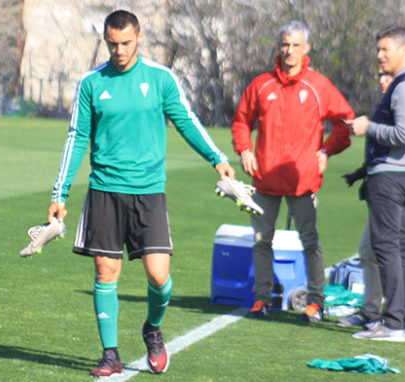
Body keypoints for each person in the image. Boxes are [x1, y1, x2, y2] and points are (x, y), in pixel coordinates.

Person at [46, 10, 235, 377]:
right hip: (105, 190)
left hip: (148, 192)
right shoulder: (91, 83)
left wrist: (217, 158)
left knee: (159, 279)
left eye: (126, 43)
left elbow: (186, 119)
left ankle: (152, 329)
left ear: (140, 37)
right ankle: (110, 355)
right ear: (105, 40)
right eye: (112, 44)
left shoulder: (160, 79)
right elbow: (76, 137)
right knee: (105, 271)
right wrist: (61, 192)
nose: (119, 51)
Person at [231, 20, 354, 322]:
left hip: (303, 180)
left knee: (309, 241)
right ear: (279, 46)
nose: (289, 50)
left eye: (295, 45)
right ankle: (261, 300)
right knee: (261, 241)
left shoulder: (318, 85)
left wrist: (326, 150)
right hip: (265, 180)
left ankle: (316, 302)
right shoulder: (262, 84)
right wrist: (245, 149)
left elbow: (345, 121)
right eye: (285, 44)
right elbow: (240, 121)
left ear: (306, 48)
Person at [346, 25, 405, 342]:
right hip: (402, 176)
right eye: (378, 50)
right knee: (401, 249)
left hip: (392, 176)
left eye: (385, 49)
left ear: (403, 50)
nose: (379, 56)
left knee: (387, 249)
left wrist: (368, 127)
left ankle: (393, 323)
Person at [337, 70, 394, 329]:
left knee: (386, 254)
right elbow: (378, 155)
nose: (381, 81)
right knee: (369, 251)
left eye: (387, 76)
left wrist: (368, 126)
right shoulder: (386, 106)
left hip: (393, 194)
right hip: (378, 192)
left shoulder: (402, 107)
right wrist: (359, 174)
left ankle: (391, 315)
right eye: (380, 76)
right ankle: (371, 312)